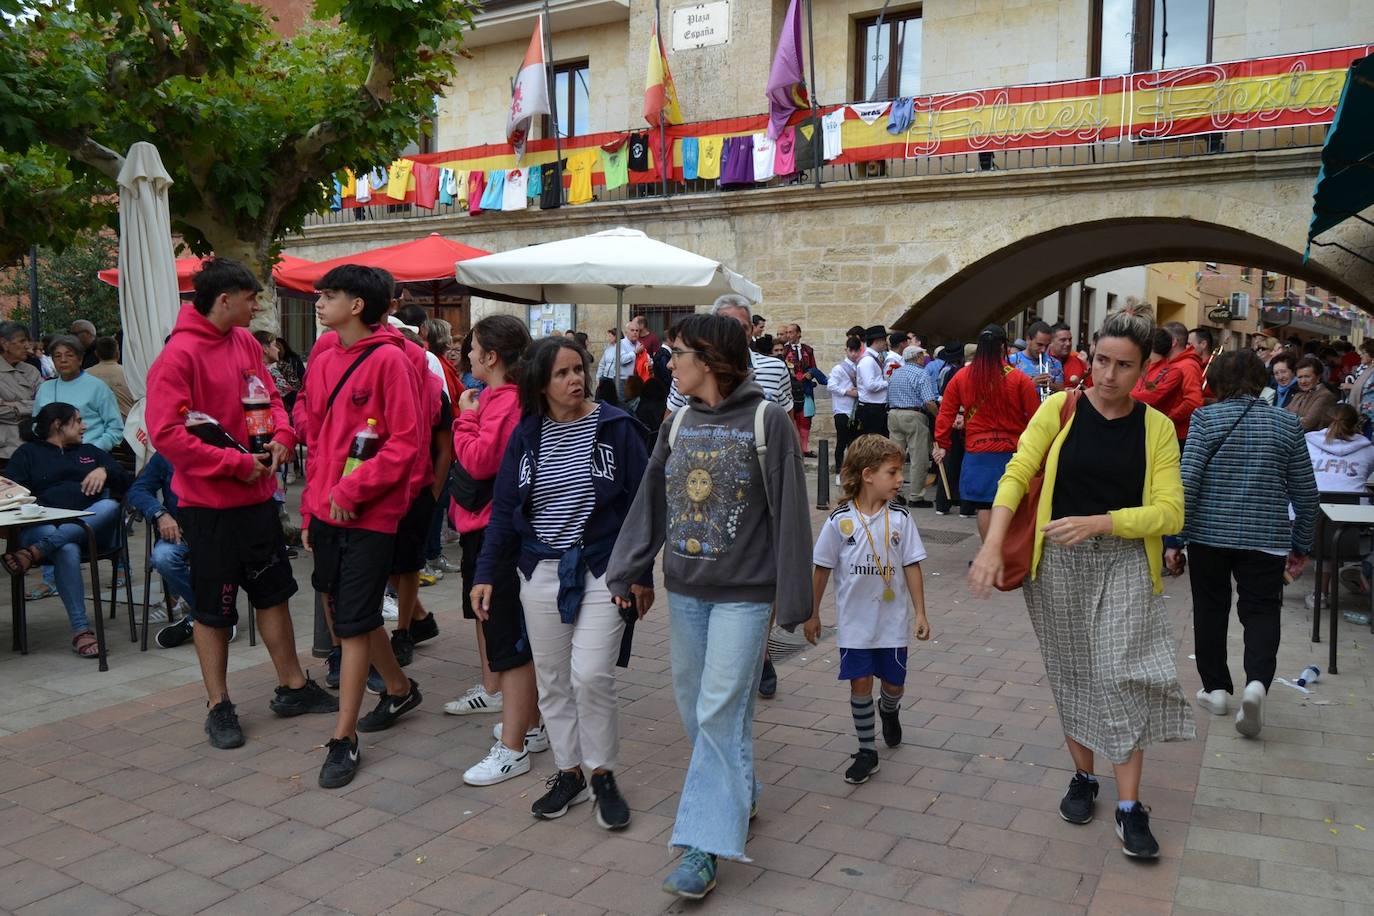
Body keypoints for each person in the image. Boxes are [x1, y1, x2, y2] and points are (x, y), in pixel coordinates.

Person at [969, 304, 1193, 861]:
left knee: (1119, 674)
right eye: (1101, 361)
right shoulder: (1059, 409)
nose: (1108, 375)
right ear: (1089, 358)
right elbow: (1017, 474)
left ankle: (1129, 807)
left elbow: (1171, 513)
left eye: (1123, 366)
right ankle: (1084, 777)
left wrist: (1102, 521)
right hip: (1058, 568)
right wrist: (992, 546)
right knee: (1071, 672)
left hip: (1122, 561)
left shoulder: (1156, 427)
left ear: (1143, 371)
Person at [605, 313, 812, 899]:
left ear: (710, 360)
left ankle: (702, 846)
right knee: (699, 709)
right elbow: (651, 502)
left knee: (719, 711)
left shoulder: (767, 421)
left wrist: (795, 599)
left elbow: (792, 516)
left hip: (746, 597)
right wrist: (632, 568)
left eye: (679, 354)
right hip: (688, 593)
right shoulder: (676, 423)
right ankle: (739, 790)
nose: (670, 364)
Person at [146, 257, 335, 751]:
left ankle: (293, 686)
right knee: (214, 609)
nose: (258, 306)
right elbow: (167, 435)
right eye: (252, 298)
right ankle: (219, 704)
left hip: (257, 498)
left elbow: (273, 398)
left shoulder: (246, 342)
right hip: (210, 507)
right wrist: (234, 465)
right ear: (224, 299)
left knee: (273, 591)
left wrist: (282, 436)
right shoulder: (178, 356)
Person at [474, 336, 649, 827]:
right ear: (540, 383)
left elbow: (643, 506)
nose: (576, 380)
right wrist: (486, 572)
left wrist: (639, 573)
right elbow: (506, 511)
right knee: (551, 679)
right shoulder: (527, 434)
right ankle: (569, 771)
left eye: (579, 369)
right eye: (562, 373)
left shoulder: (616, 427)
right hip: (540, 569)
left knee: (591, 674)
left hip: (601, 569)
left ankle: (603, 775)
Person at [298, 264, 424, 788]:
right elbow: (321, 442)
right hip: (325, 513)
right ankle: (398, 688)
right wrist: (310, 508)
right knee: (350, 613)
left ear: (357, 305)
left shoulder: (391, 360)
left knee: (350, 626)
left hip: (370, 515)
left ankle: (344, 736)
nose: (319, 302)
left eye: (329, 295)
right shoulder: (325, 358)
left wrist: (352, 490)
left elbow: (406, 442)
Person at [1184, 350, 1318, 739]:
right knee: (1261, 611)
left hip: (1209, 535)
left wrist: (1175, 538)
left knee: (1210, 609)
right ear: (1262, 380)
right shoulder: (1287, 423)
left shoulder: (1205, 419)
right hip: (1268, 538)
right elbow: (1306, 495)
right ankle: (1257, 684)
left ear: (1218, 382)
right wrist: (1301, 545)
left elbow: (1187, 482)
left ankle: (1217, 689)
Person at [444, 316, 546, 783]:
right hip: (493, 528)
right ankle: (529, 725)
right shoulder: (505, 398)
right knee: (508, 630)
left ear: (490, 357)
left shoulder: (503, 402)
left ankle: (516, 743)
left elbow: (481, 459)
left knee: (508, 634)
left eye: (473, 348)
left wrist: (464, 417)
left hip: (494, 531)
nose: (467, 356)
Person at [805, 434, 932, 784]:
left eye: (900, 472)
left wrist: (920, 612)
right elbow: (821, 567)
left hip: (891, 622)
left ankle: (889, 710)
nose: (900, 479)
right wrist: (813, 612)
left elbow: (912, 565)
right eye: (892, 472)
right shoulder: (839, 521)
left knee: (893, 684)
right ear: (868, 475)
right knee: (859, 683)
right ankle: (866, 750)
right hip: (855, 623)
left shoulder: (902, 519)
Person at [1, 403, 129, 658]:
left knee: (108, 506)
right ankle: (81, 630)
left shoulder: (91, 452)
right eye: (78, 421)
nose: (85, 426)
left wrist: (105, 470)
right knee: (66, 547)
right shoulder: (28, 454)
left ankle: (37, 552)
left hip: (91, 532)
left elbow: (127, 481)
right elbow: (10, 492)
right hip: (41, 526)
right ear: (59, 425)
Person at [933, 325, 1039, 540]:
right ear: (1003, 347)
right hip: (1012, 453)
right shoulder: (1019, 379)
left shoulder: (962, 377)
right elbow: (1036, 418)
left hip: (977, 452)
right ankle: (1006, 556)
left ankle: (988, 552)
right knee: (1011, 506)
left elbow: (946, 413)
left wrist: (942, 444)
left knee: (985, 507)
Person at [127, 451, 209, 648]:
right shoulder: (165, 454)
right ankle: (209, 613)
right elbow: (138, 490)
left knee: (222, 555)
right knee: (162, 557)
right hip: (180, 532)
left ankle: (198, 617)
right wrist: (160, 513)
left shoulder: (218, 445)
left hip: (215, 531)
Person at [665, 297, 792, 414]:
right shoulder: (688, 373)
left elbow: (788, 427)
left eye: (742, 327)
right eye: (726, 328)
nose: (736, 335)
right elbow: (669, 427)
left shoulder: (775, 369)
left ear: (751, 330)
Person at [33, 336, 123, 452]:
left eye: (69, 355)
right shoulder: (46, 387)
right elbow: (35, 424)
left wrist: (94, 450)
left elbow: (115, 428)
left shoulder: (98, 387)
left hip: (89, 453)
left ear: (80, 359)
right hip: (51, 455)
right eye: (57, 356)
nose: (63, 360)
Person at [887, 345, 938, 508]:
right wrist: (938, 414)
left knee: (895, 457)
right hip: (913, 415)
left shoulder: (896, 373)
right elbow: (928, 401)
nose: (924, 358)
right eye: (922, 355)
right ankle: (916, 496)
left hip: (894, 414)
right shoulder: (921, 373)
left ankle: (895, 493)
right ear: (917, 357)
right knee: (919, 458)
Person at [779, 323, 827, 457]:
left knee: (806, 418)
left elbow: (814, 367)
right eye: (787, 332)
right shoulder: (784, 350)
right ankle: (794, 448)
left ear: (798, 333)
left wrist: (811, 373)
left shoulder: (808, 350)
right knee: (792, 418)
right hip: (790, 389)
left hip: (806, 388)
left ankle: (804, 448)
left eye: (791, 332)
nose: (789, 335)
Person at [0, 321, 40, 464]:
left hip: (35, 445)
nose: (27, 346)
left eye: (28, 341)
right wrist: (29, 407)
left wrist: (13, 404)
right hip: (5, 450)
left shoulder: (32, 371)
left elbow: (44, 406)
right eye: (22, 341)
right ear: (4, 343)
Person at [827, 336, 863, 481]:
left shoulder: (861, 366)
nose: (854, 354)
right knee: (841, 442)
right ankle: (838, 472)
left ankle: (852, 472)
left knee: (854, 444)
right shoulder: (839, 368)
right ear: (846, 350)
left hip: (856, 410)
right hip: (842, 410)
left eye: (857, 351)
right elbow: (831, 386)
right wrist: (848, 392)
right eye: (851, 351)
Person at [1008, 320, 1063, 399]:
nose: (1043, 350)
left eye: (1047, 345)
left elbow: (1062, 393)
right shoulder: (1011, 361)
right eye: (1039, 344)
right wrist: (1030, 384)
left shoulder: (1055, 363)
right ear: (1028, 339)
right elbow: (1005, 392)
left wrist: (1052, 386)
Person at [854, 325, 891, 438]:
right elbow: (870, 385)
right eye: (884, 340)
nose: (886, 343)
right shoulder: (868, 360)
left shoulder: (874, 358)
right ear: (877, 341)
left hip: (876, 408)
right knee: (872, 444)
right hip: (871, 409)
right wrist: (888, 383)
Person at [86, 337, 135, 418]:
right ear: (117, 353)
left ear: (96, 354)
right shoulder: (130, 374)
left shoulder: (85, 375)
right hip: (127, 424)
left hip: (96, 424)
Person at [1287, 355, 1338, 432]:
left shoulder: (1325, 395)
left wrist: (1290, 419)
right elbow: (1282, 413)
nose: (1303, 381)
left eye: (1307, 376)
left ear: (1318, 377)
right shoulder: (1299, 395)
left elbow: (1306, 424)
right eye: (1300, 377)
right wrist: (1299, 418)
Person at [1345, 341, 1374, 436]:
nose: (1360, 355)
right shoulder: (1368, 369)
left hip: (1370, 418)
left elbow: (1368, 390)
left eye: (1364, 353)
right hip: (1364, 416)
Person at [1053, 323, 1089, 389]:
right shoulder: (1042, 362)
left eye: (1070, 340)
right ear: (1051, 341)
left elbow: (1089, 391)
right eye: (1063, 340)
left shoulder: (1079, 363)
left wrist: (1079, 388)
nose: (1068, 343)